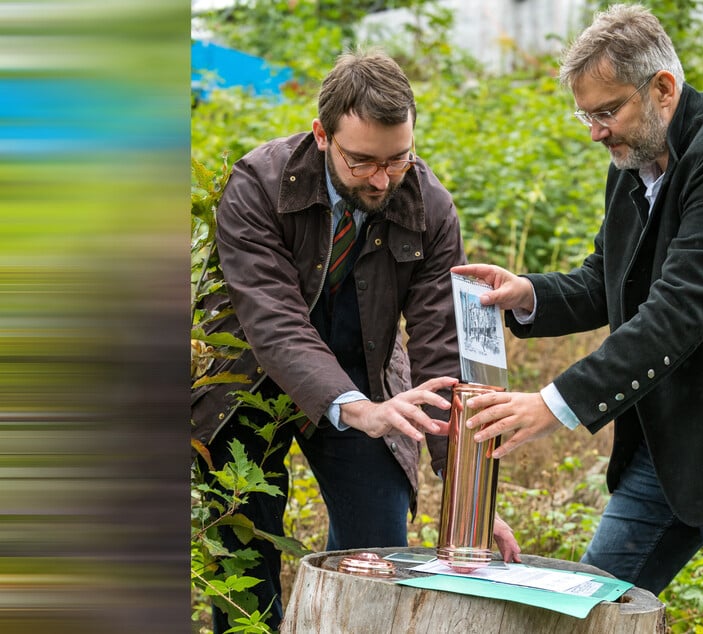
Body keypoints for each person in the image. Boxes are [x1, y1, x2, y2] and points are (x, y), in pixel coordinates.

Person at [452, 4, 703, 633]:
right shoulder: (635, 160)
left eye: (606, 111)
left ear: (663, 89)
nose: (595, 131)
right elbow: (606, 280)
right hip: (664, 443)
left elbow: (677, 312)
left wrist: (554, 402)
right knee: (585, 612)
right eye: (585, 114)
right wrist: (527, 294)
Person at [191, 51, 520, 632]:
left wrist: (470, 489)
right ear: (322, 135)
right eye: (362, 161)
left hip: (364, 364)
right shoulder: (259, 184)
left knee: (378, 548)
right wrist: (357, 410)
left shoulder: (429, 207)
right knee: (244, 553)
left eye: (399, 158)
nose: (382, 179)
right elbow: (273, 321)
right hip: (246, 374)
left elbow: (442, 346)